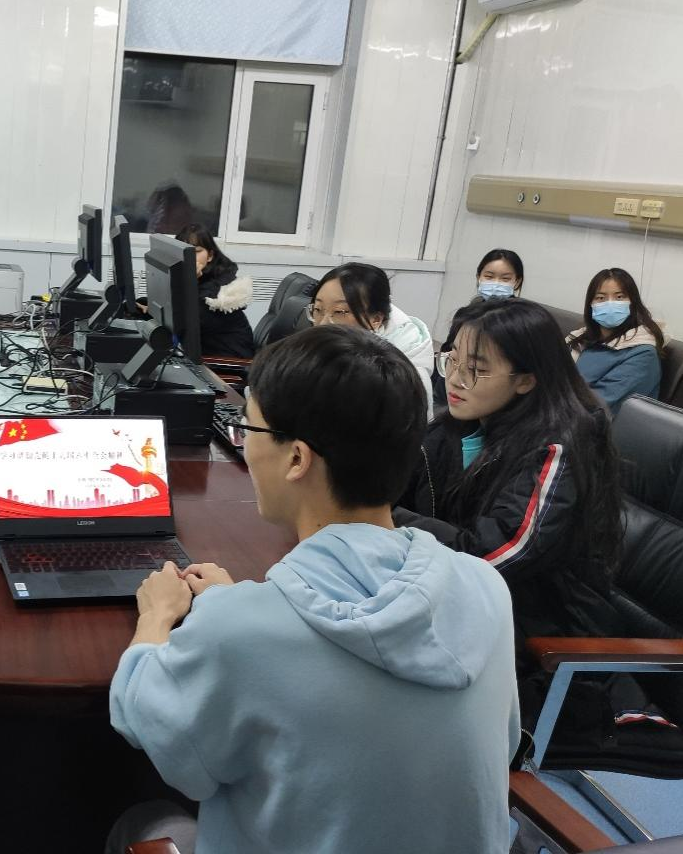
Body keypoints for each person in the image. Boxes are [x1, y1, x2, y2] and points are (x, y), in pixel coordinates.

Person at [107, 326, 520, 854]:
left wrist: (155, 619)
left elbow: (158, 733)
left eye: (247, 428)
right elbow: (502, 741)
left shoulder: (239, 630)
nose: (245, 445)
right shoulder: (485, 587)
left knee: (140, 819)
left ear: (297, 458)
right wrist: (237, 606)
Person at [398, 298, 623, 724]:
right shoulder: (459, 428)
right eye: (452, 360)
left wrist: (384, 519)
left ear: (526, 381)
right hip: (477, 613)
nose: (455, 379)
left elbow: (493, 554)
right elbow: (393, 490)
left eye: (476, 369)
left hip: (542, 644)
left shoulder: (559, 447)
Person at [308, 262, 433, 415]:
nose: (323, 323)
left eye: (340, 312)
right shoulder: (326, 347)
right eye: (318, 309)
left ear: (376, 319)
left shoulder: (405, 378)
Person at [566, 267, 664, 413]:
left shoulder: (643, 354)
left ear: (633, 302)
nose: (610, 304)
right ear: (590, 305)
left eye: (619, 297)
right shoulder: (580, 338)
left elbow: (598, 407)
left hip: (589, 423)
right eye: (601, 298)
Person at [174, 223, 254, 358]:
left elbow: (189, 322)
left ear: (210, 255)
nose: (189, 257)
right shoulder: (199, 278)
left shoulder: (220, 288)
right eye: (184, 251)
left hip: (227, 361)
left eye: (196, 251)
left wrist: (190, 281)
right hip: (200, 356)